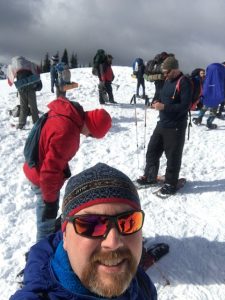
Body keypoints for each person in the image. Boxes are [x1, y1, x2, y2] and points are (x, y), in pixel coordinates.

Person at [10, 163, 157, 299]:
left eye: (129, 222)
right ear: (65, 237)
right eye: (91, 225)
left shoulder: (141, 284)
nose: (113, 242)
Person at [23, 97, 112, 242]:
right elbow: (49, 172)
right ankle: (40, 256)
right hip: (41, 178)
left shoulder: (65, 113)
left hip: (32, 166)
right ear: (92, 126)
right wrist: (50, 203)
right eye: (91, 135)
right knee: (46, 224)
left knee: (47, 220)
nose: (87, 136)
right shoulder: (69, 134)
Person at [137, 56, 192, 195]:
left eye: (167, 72)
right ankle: (150, 177)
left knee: (173, 156)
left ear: (175, 69)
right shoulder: (167, 80)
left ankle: (170, 183)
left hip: (176, 126)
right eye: (164, 72)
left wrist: (164, 107)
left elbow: (185, 107)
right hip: (162, 123)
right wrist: (156, 101)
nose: (165, 75)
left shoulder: (184, 82)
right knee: (152, 151)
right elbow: (162, 96)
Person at [7, 56, 40, 129]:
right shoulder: (30, 64)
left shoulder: (14, 66)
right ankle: (36, 123)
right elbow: (37, 70)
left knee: (23, 107)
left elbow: (10, 79)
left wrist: (11, 81)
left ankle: (21, 124)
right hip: (31, 88)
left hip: (22, 89)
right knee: (33, 106)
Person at [193, 62, 225, 129]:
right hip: (216, 94)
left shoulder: (211, 71)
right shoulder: (221, 73)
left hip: (208, 93)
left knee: (205, 107)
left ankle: (199, 119)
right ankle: (209, 123)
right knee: (213, 110)